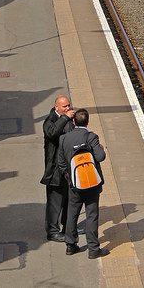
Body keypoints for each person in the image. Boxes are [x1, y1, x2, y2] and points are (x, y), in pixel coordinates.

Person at [57, 109, 109, 258]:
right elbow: (100, 157)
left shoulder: (64, 139)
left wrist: (70, 177)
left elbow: (61, 163)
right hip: (92, 183)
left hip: (74, 183)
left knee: (72, 213)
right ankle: (93, 249)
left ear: (74, 122)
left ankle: (71, 245)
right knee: (92, 215)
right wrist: (101, 149)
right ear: (87, 122)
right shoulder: (91, 136)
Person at [41, 95, 73, 242]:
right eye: (64, 106)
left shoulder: (67, 119)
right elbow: (52, 133)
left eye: (68, 105)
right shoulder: (50, 121)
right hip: (55, 169)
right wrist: (66, 118)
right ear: (57, 107)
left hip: (67, 166)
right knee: (55, 201)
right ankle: (53, 231)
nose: (68, 108)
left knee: (68, 198)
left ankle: (67, 225)